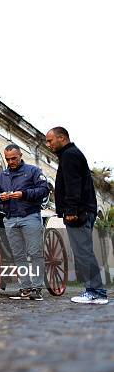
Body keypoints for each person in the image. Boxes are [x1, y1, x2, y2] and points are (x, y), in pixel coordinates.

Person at [45, 127, 108, 304]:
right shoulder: (70, 154)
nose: (48, 144)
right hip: (83, 210)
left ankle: (96, 292)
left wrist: (71, 210)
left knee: (83, 253)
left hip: (79, 212)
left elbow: (73, 185)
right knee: (83, 252)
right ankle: (94, 291)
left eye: (50, 140)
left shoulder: (69, 155)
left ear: (62, 138)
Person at [0, 144, 49, 300]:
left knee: (35, 253)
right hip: (10, 218)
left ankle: (37, 289)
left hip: (30, 216)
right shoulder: (2, 175)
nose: (11, 162)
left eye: (13, 158)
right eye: (7, 159)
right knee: (18, 256)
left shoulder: (33, 171)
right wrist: (0, 197)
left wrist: (24, 194)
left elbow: (44, 190)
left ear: (20, 155)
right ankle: (25, 288)